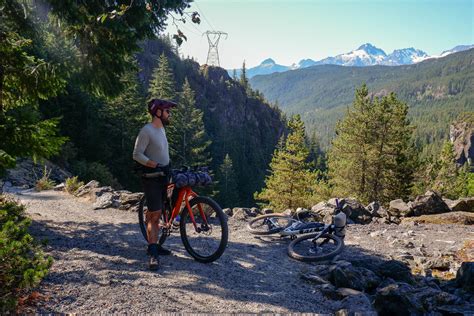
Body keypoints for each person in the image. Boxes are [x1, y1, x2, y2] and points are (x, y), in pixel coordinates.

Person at [133, 98, 177, 270]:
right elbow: (137, 154)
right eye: (167, 111)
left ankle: (155, 239)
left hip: (164, 175)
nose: (169, 114)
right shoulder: (147, 130)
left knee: (162, 209)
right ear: (158, 112)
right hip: (151, 177)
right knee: (156, 214)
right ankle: (152, 252)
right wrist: (152, 164)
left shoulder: (161, 130)